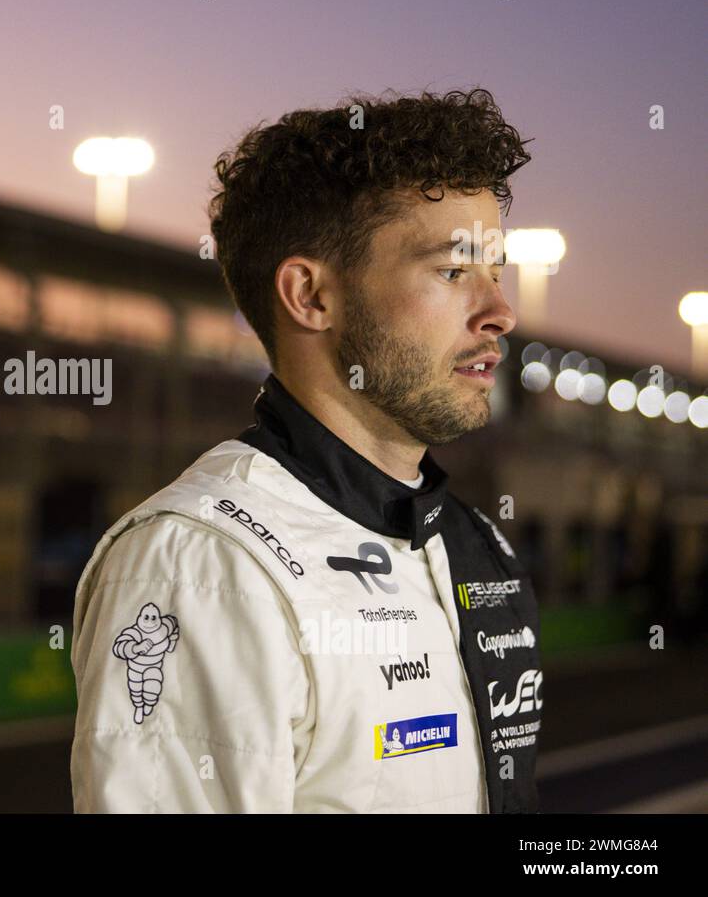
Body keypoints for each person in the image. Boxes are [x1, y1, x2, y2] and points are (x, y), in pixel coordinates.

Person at [70, 89, 544, 813]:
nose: (501, 312)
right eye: (454, 272)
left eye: (497, 271)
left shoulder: (474, 546)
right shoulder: (205, 563)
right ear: (310, 296)